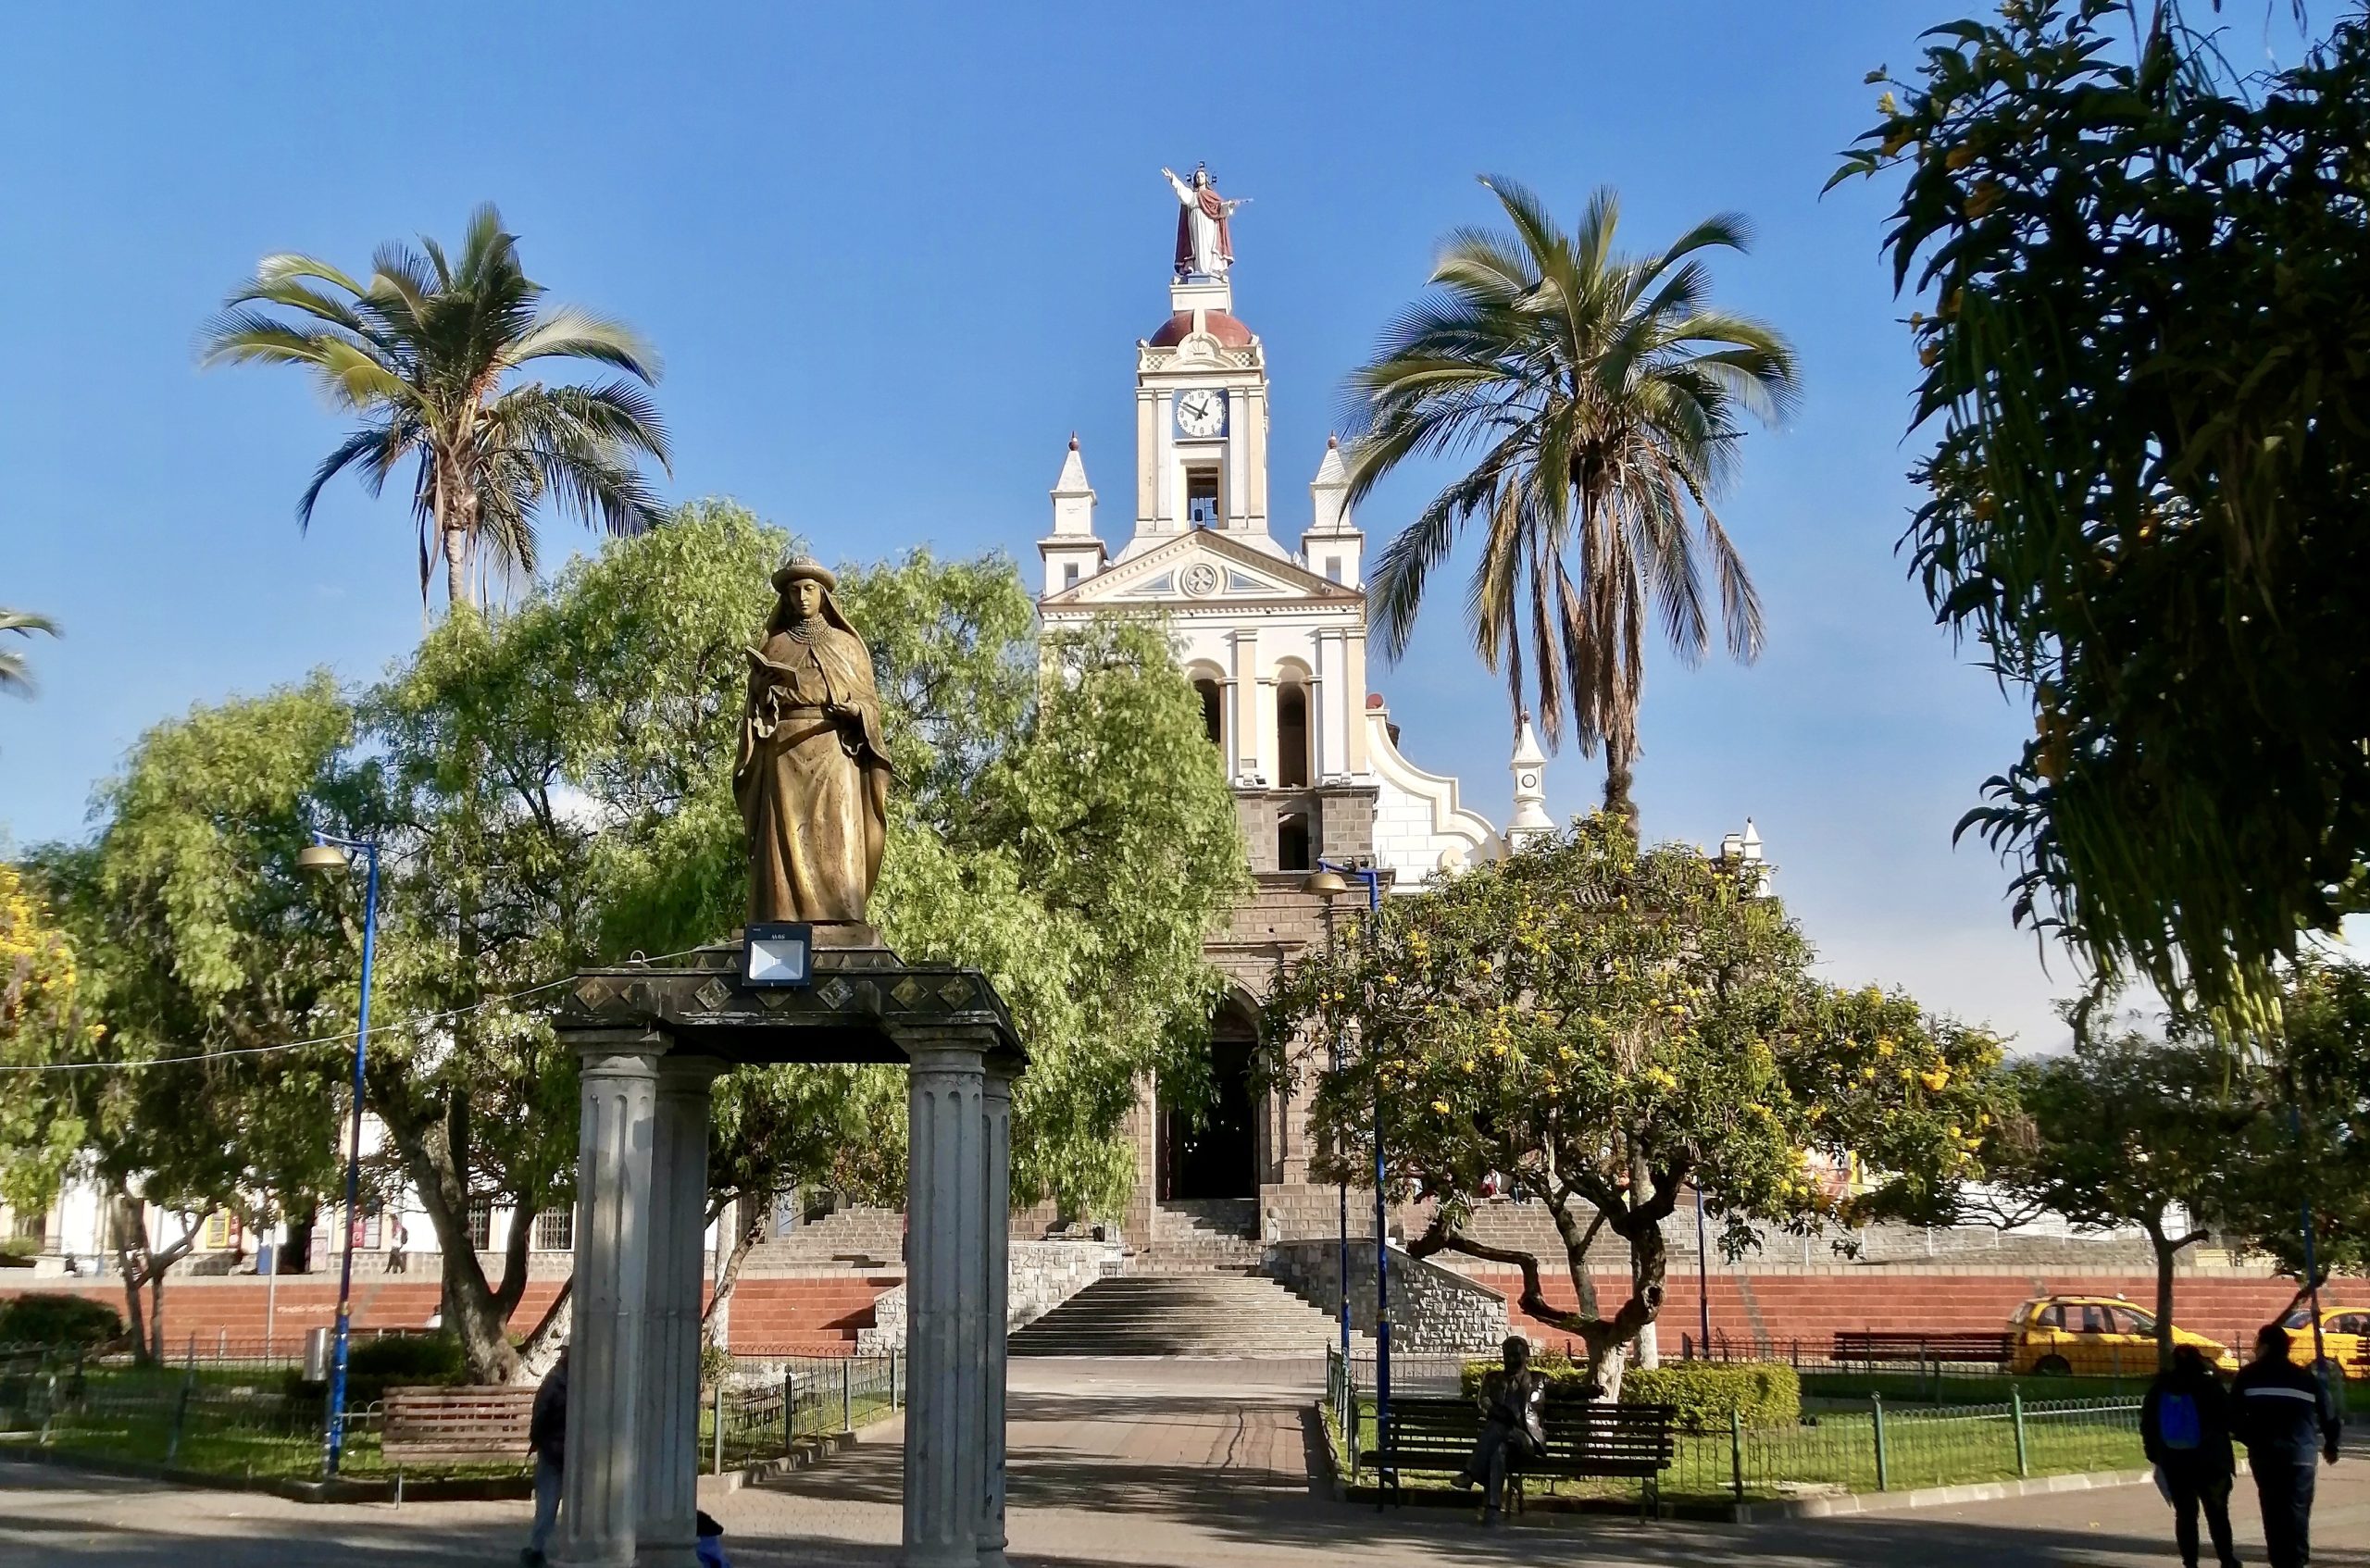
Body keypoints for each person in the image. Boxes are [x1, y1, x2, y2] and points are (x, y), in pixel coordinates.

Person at [2232, 1324, 2340, 1568]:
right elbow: (2328, 1413)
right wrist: (2331, 1445)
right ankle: (2297, 1560)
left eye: (2257, 1343)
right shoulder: (2305, 1378)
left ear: (2265, 1346)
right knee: (2298, 1511)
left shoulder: (2248, 1376)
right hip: (2300, 1456)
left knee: (2272, 1510)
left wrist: (2251, 1439)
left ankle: (2279, 1560)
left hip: (2265, 1456)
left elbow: (2234, 1417)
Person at [2142, 1343, 2239, 1568]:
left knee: (2185, 1514)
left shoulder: (2160, 1388)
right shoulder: (2210, 1386)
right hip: (2211, 1460)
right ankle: (2227, 1558)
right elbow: (2229, 1418)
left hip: (2175, 1461)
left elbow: (2148, 1424)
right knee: (2217, 1513)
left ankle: (2190, 1561)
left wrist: (2155, 1455)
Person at [1453, 1335, 1545, 1524]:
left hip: (1526, 1440)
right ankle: (1493, 1510)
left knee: (1496, 1428)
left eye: (1516, 1355)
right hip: (1503, 1442)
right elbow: (1483, 1400)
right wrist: (1495, 1410)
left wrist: (1591, 1390)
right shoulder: (1492, 1379)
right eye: (1508, 1355)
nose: (1512, 1359)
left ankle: (1470, 1474)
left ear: (1527, 1355)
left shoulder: (1539, 1380)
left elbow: (1565, 1390)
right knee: (1498, 1452)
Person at [523, 1346, 568, 1568]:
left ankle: (537, 1549)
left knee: (548, 1504)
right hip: (557, 1451)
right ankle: (536, 1550)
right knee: (549, 1504)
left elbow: (540, 1415)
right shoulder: (556, 1381)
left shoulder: (556, 1380)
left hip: (558, 1450)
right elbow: (541, 1416)